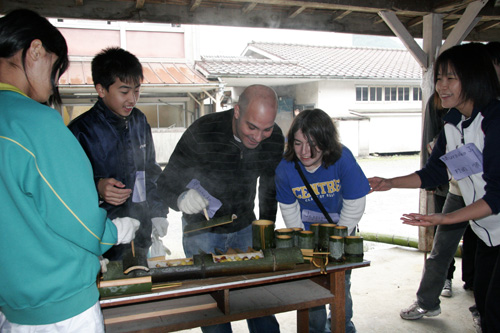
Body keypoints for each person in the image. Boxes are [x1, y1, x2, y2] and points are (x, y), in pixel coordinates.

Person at [0, 9, 139, 331]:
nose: (54, 82)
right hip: (61, 308)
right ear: (35, 51)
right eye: (55, 68)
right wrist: (114, 232)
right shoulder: (37, 123)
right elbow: (76, 216)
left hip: (13, 304)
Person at [369, 42, 500, 332]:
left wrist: (445, 218)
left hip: (495, 226)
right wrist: (389, 183)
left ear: (475, 77)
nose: (441, 85)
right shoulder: (453, 122)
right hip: (488, 235)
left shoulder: (494, 122)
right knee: (487, 307)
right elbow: (433, 173)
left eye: (450, 77)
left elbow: (498, 196)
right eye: (439, 77)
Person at [157, 84, 284, 333]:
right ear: (237, 111)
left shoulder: (274, 138)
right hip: (201, 233)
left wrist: (266, 230)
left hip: (246, 227)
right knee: (213, 314)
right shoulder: (204, 131)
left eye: (266, 129)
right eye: (252, 127)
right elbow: (164, 183)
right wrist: (181, 198)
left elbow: (269, 188)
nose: (258, 138)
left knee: (260, 305)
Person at [68, 47, 169, 266]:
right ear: (101, 90)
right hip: (103, 239)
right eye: (124, 92)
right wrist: (97, 187)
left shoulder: (140, 122)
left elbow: (149, 172)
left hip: (139, 233)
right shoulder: (80, 131)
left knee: (143, 290)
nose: (132, 99)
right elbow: (66, 190)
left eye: (137, 90)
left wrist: (158, 212)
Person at [275, 108, 370, 333]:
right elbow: (289, 210)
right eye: (298, 143)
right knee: (312, 287)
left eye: (313, 144)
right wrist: (302, 242)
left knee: (340, 286)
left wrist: (337, 239)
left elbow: (355, 203)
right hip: (308, 234)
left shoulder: (342, 159)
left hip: (342, 229)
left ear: (326, 142)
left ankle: (341, 327)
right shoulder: (285, 168)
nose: (305, 152)